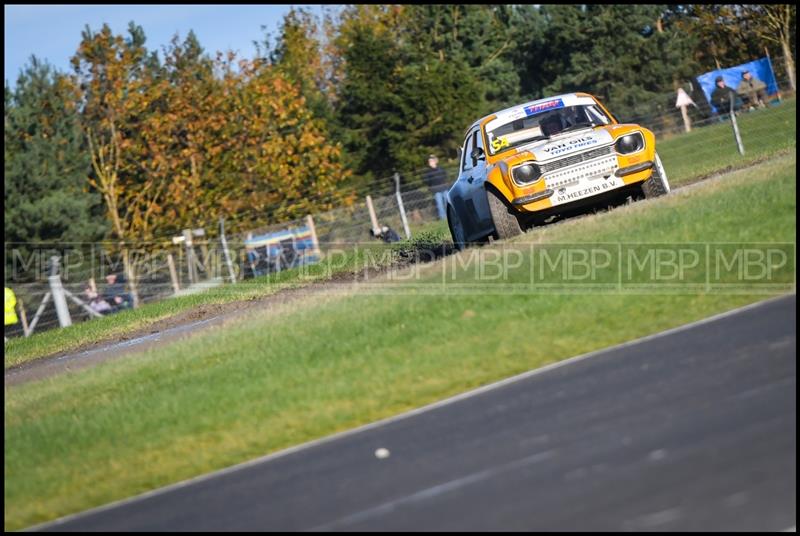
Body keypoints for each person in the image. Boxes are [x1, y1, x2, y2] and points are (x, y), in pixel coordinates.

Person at [423, 154, 449, 220]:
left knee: (447, 203)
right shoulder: (428, 172)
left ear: (435, 161)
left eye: (431, 161)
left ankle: (450, 215)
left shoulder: (440, 169)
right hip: (436, 190)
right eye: (429, 161)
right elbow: (426, 181)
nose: (430, 163)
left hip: (444, 188)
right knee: (439, 204)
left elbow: (445, 175)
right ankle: (443, 218)